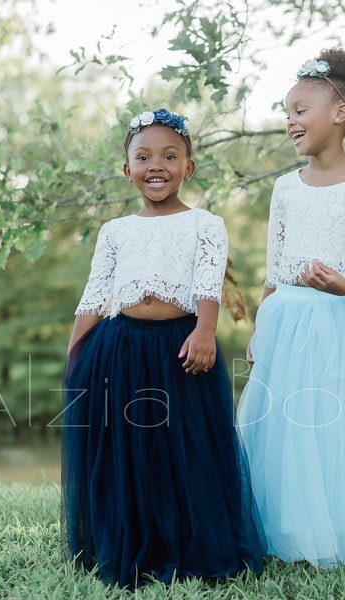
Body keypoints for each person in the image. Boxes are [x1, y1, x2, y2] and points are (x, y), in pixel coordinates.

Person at [61, 108, 265, 589]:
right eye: (144, 156)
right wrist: (75, 354)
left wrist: (206, 331)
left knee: (186, 450)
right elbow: (95, 294)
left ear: (188, 168)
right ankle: (135, 545)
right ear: (127, 169)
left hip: (181, 349)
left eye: (170, 156)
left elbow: (208, 282)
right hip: (120, 348)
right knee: (128, 452)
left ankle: (193, 547)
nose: (157, 165)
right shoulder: (116, 230)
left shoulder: (206, 224)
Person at [236, 49, 345, 567]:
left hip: (337, 321)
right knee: (278, 424)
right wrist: (262, 322)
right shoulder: (284, 187)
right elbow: (274, 266)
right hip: (285, 319)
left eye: (301, 110)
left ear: (340, 112)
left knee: (328, 426)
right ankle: (277, 532)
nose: (291, 121)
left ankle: (327, 531)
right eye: (288, 112)